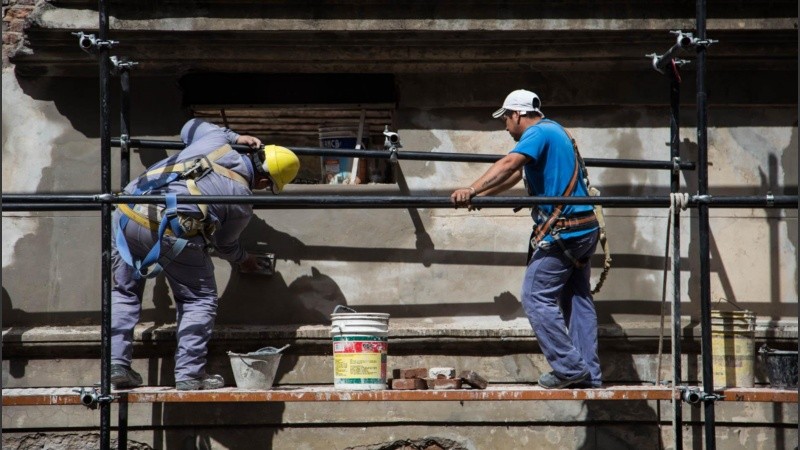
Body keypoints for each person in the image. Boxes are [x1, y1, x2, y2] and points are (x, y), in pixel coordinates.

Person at [110, 118, 300, 390]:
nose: (260, 190)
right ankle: (190, 375)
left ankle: (116, 364)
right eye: (266, 186)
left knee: (124, 291)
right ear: (263, 179)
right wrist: (244, 259)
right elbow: (225, 244)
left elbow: (189, 125)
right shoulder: (242, 202)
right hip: (171, 228)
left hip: (126, 212)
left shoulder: (216, 140)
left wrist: (234, 135)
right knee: (199, 299)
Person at [450, 89, 601, 389]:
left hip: (565, 231)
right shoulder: (557, 131)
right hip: (585, 228)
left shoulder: (536, 133)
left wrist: (471, 188)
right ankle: (590, 376)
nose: (505, 126)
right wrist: (481, 196)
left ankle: (570, 369)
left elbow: (508, 164)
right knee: (577, 299)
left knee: (535, 297)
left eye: (506, 119)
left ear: (517, 114)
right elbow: (515, 175)